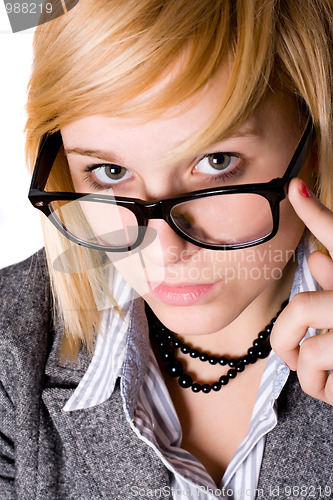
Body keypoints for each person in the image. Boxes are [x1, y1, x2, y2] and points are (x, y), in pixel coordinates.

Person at [1, 0, 332, 498]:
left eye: (217, 161)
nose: (164, 245)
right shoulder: (10, 354)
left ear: (314, 142)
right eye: (110, 173)